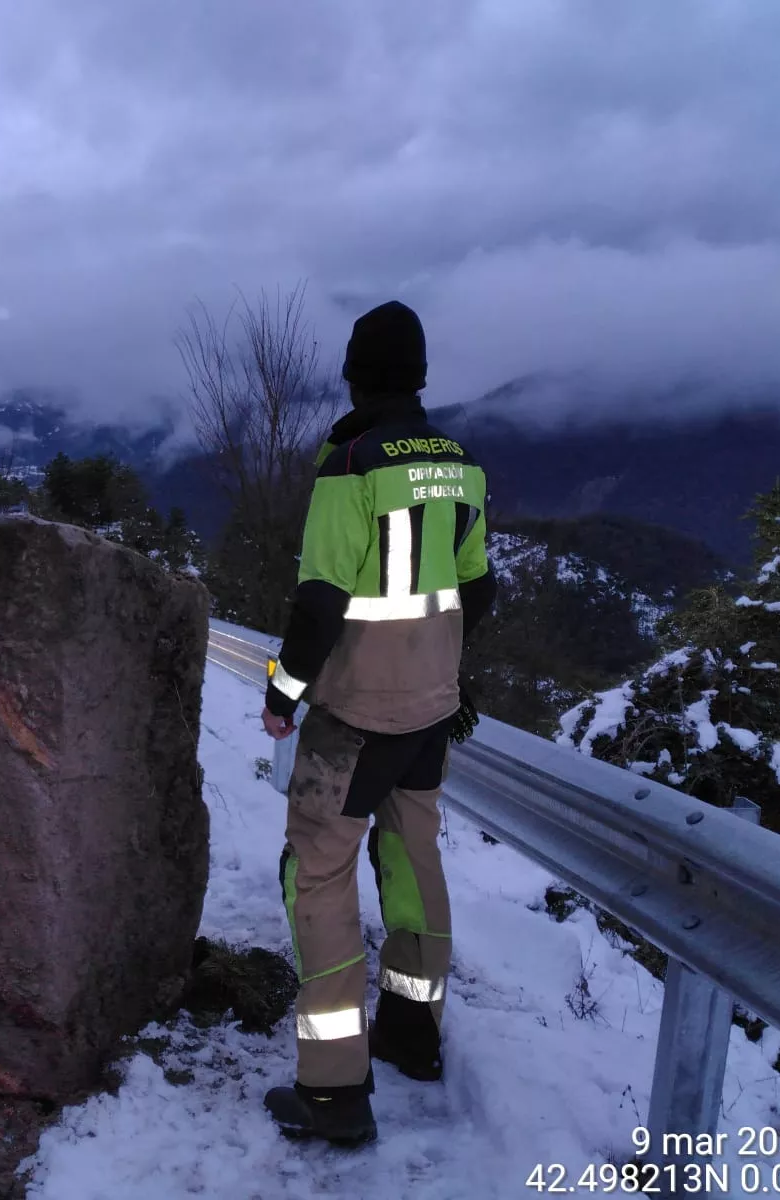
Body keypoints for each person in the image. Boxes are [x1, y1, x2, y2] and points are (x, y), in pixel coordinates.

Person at [260, 299, 497, 1146]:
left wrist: (283, 692)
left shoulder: (351, 465)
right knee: (412, 857)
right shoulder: (461, 464)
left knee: (317, 876)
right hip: (431, 713)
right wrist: (447, 671)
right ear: (422, 376)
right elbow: (478, 590)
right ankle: (412, 1033)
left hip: (355, 716)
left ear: (355, 376)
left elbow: (320, 600)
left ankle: (332, 1091)